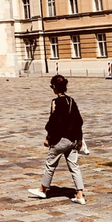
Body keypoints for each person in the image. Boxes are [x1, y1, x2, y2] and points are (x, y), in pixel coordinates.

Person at [28, 74, 86, 205]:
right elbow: (79, 121)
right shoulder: (71, 101)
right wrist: (79, 138)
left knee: (50, 164)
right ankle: (80, 194)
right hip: (72, 140)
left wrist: (48, 138)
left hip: (60, 140)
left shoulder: (55, 102)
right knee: (74, 166)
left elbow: (54, 122)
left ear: (54, 87)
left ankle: (42, 190)